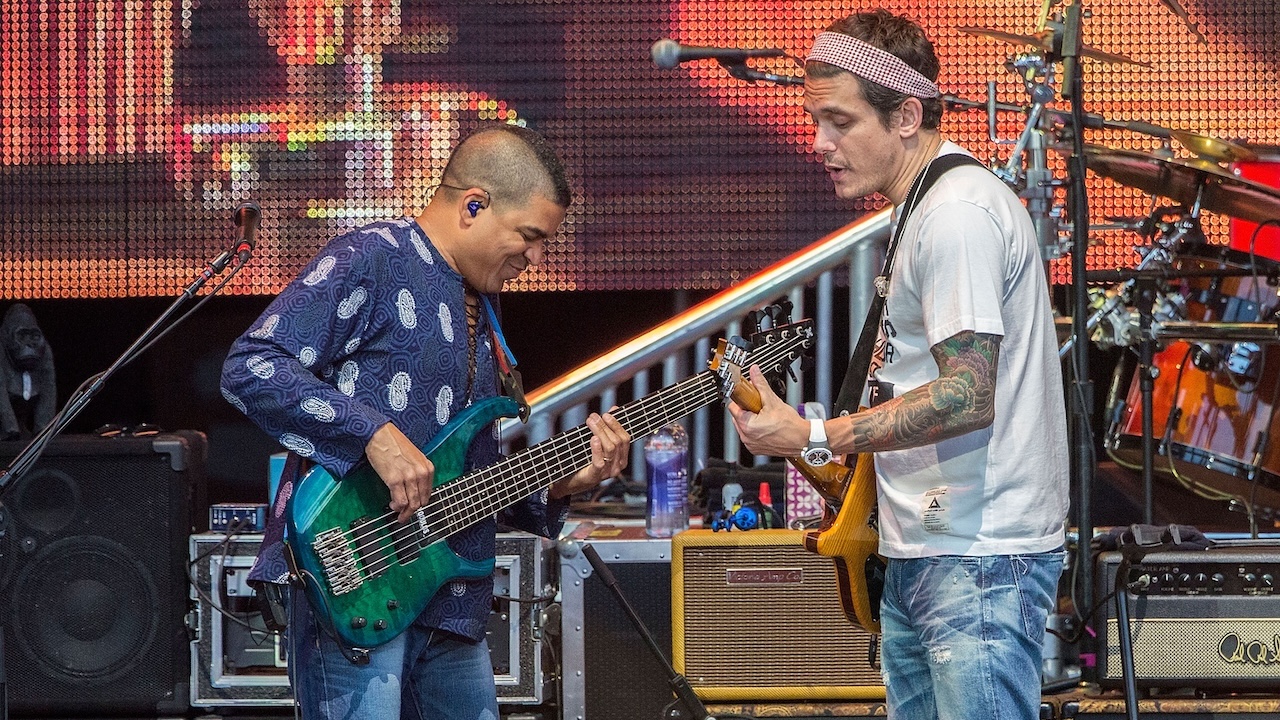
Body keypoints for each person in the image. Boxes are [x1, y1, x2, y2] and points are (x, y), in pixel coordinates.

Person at [221, 123, 630, 719]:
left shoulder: (482, 311)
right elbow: (251, 366)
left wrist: (567, 482)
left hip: (447, 600)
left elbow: (470, 485)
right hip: (354, 583)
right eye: (530, 236)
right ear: (474, 205)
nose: (538, 258)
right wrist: (373, 435)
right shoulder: (372, 257)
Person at [727, 11, 1068, 720]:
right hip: (934, 552)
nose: (820, 143)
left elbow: (968, 395)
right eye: (816, 120)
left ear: (907, 114)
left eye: (840, 121)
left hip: (975, 558)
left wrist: (817, 435)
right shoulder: (921, 208)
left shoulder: (955, 216)